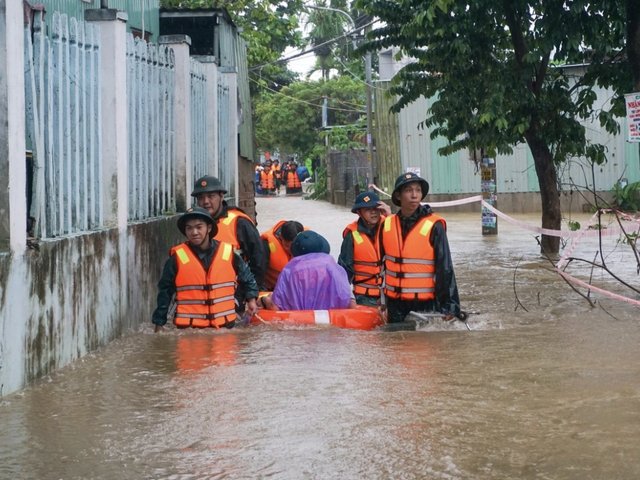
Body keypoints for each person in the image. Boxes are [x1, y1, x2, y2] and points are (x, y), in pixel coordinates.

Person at [151, 207, 259, 332]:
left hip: (225, 329)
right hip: (189, 331)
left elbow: (248, 278)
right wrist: (159, 323)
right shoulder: (177, 258)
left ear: (209, 228)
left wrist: (252, 300)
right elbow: (165, 291)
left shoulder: (228, 253)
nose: (194, 232)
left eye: (199, 227)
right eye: (189, 228)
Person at [379, 172, 461, 323]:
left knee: (422, 339)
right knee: (394, 338)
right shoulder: (387, 224)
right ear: (398, 196)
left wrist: (450, 305)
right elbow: (379, 265)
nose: (414, 195)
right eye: (408, 190)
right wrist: (381, 301)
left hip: (425, 304)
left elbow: (445, 267)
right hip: (395, 303)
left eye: (418, 190)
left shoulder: (434, 225)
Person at [192, 175, 267, 295]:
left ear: (221, 196)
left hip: (237, 294)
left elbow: (258, 259)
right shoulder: (192, 225)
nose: (205, 202)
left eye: (211, 196)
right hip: (205, 296)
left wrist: (251, 293)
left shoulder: (239, 222)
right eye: (201, 197)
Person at [260, 231, 354, 311]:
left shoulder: (289, 271)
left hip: (297, 322)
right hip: (332, 321)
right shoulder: (335, 268)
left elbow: (274, 307)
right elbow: (350, 303)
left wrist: (263, 300)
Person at [338, 191, 391, 306]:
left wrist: (390, 216)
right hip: (364, 297)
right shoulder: (351, 235)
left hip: (390, 294)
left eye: (376, 208)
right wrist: (349, 299)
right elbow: (343, 271)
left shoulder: (390, 226)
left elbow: (404, 243)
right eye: (368, 209)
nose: (373, 212)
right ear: (359, 212)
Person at [260, 220, 305, 290]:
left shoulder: (308, 241)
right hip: (273, 288)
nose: (291, 251)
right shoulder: (266, 245)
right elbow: (258, 271)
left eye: (295, 247)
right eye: (287, 246)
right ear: (281, 237)